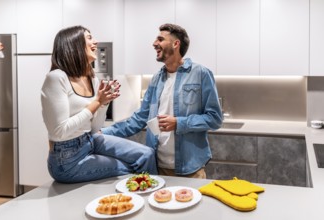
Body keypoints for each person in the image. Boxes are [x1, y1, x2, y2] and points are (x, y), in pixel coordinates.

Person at [102, 23, 223, 178]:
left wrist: (179, 123)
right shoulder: (156, 79)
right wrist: (104, 132)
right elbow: (139, 119)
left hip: (190, 169)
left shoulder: (201, 74)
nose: (154, 44)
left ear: (176, 43)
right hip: (156, 166)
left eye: (160, 39)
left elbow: (215, 119)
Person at [41, 25, 157, 183]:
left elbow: (95, 128)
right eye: (89, 38)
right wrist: (97, 102)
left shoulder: (92, 79)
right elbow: (59, 131)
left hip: (89, 140)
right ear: (73, 44)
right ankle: (142, 199)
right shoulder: (56, 78)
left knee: (146, 155)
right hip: (67, 160)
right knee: (134, 167)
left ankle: (151, 197)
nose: (95, 42)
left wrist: (104, 104)